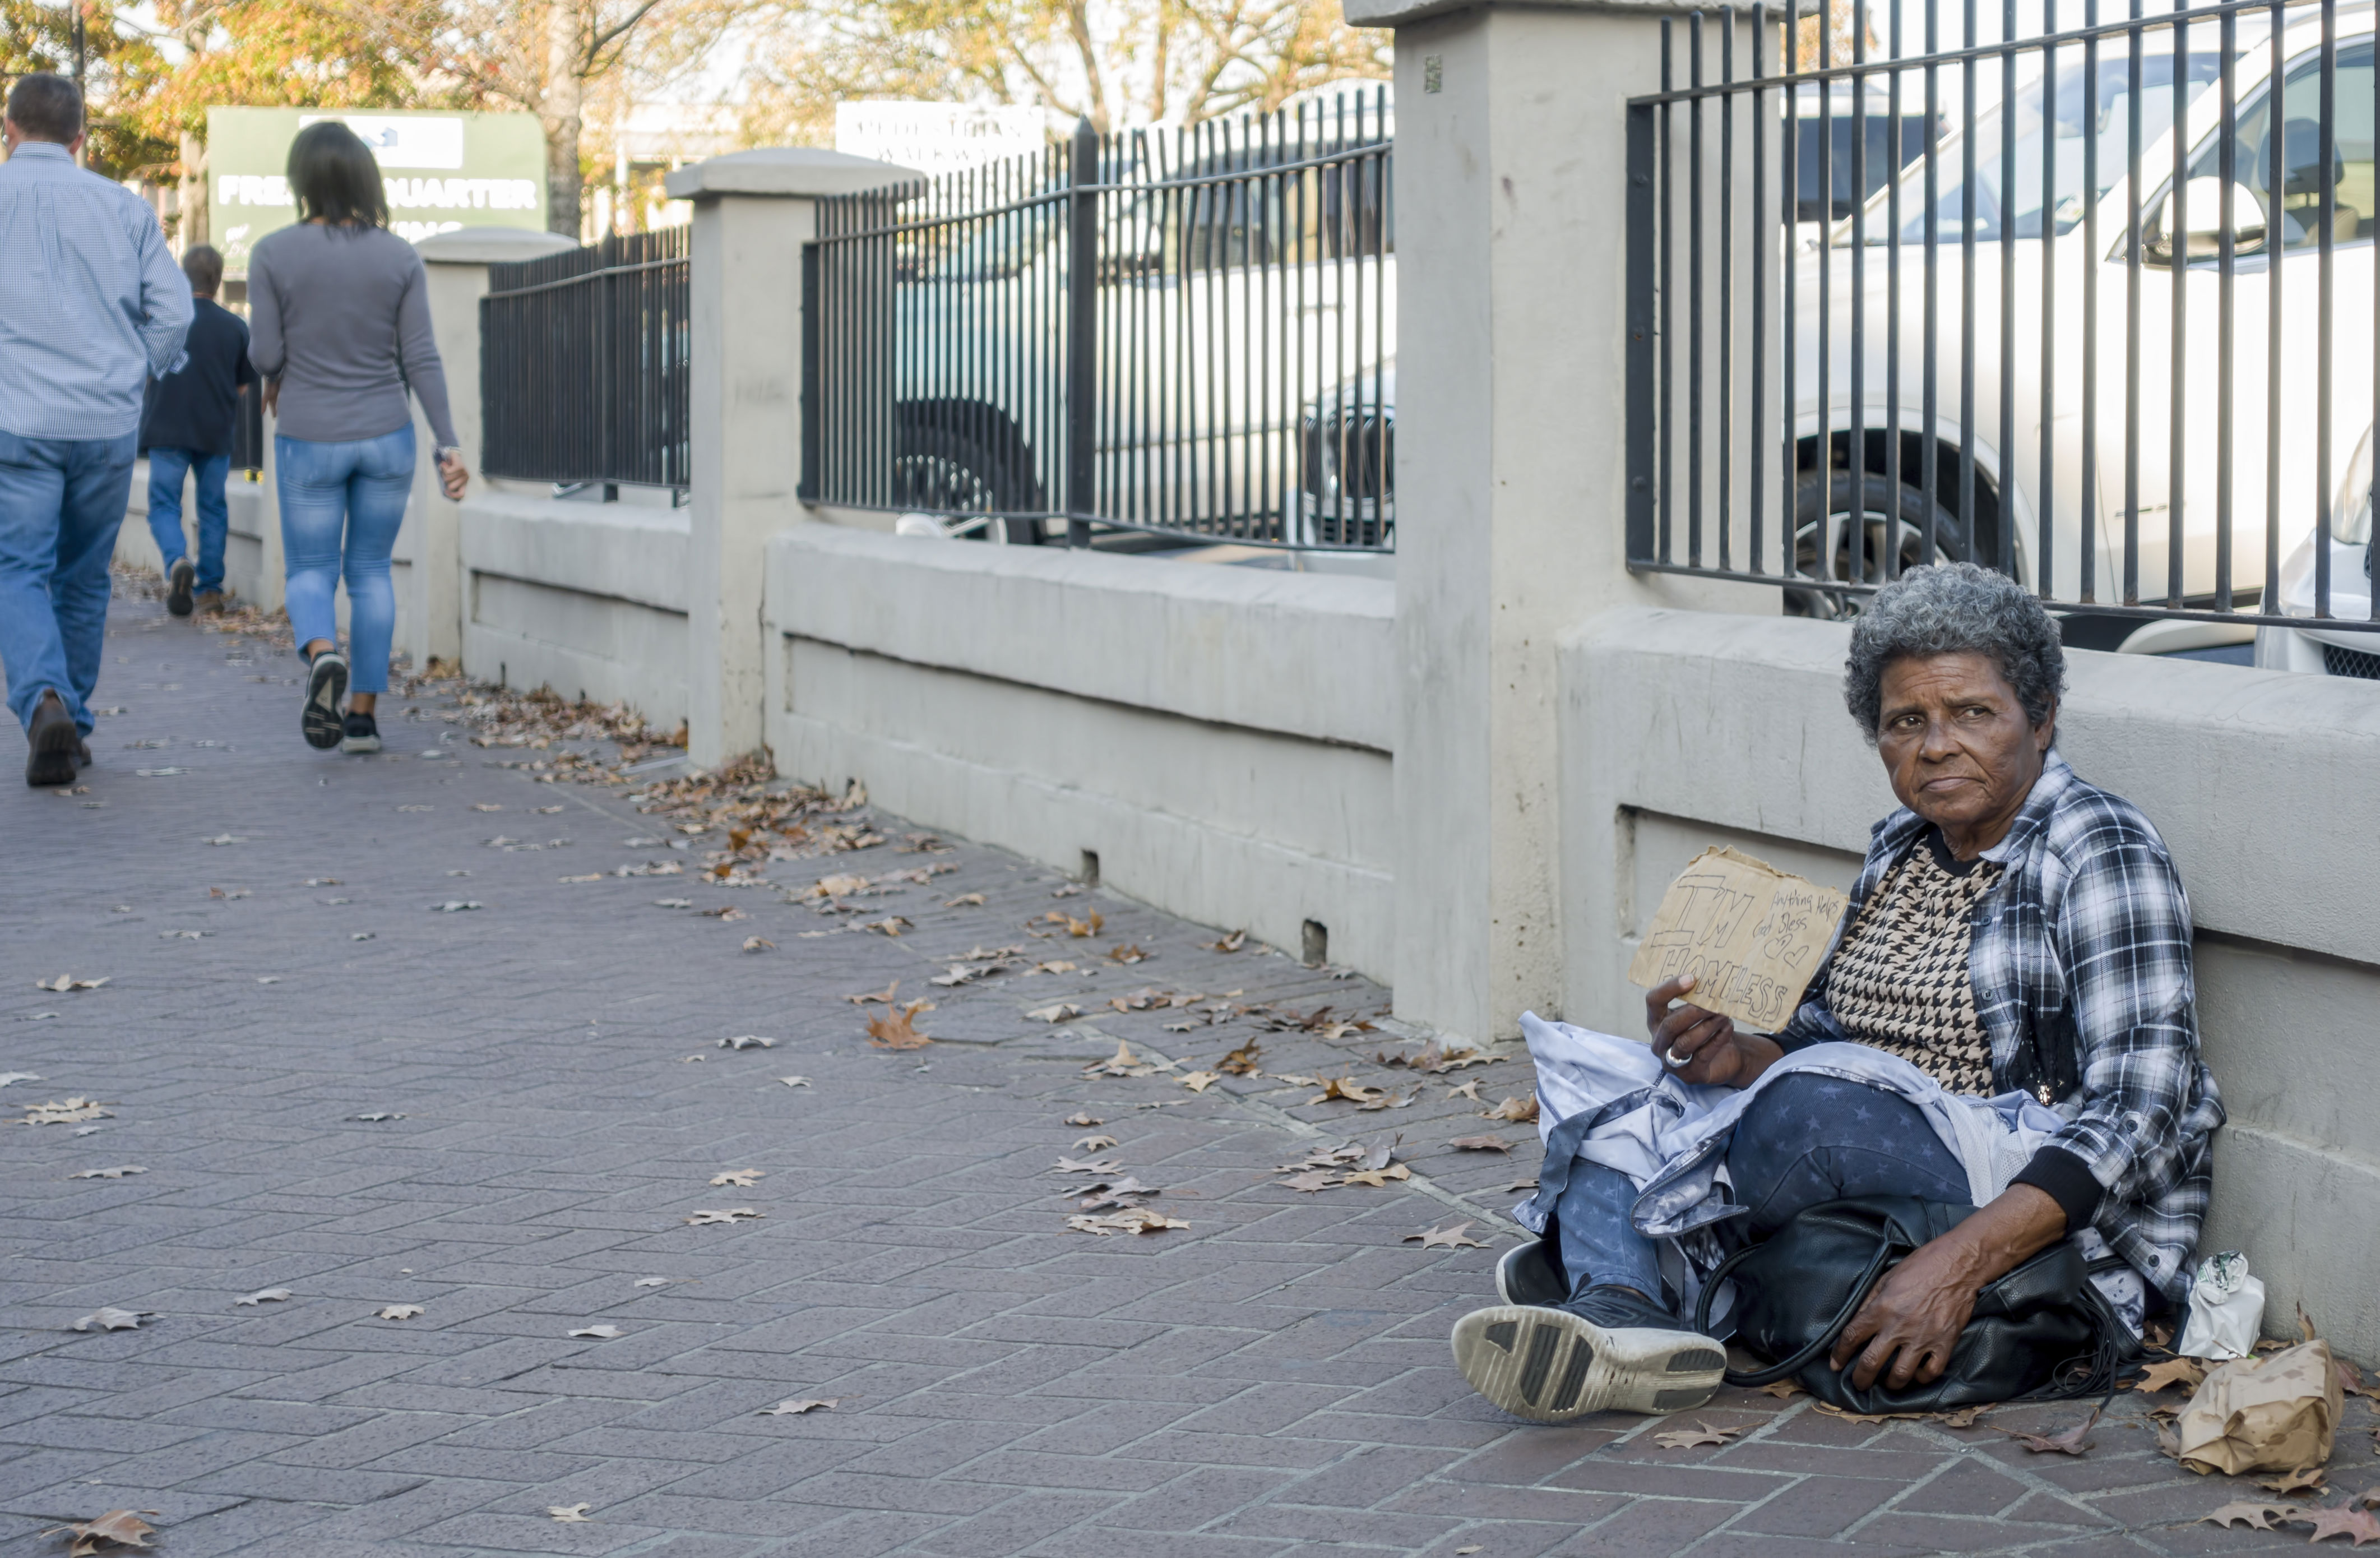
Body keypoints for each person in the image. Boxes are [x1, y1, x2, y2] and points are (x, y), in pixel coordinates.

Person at [1452, 562, 2225, 1422]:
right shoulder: (1901, 843)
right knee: (1625, 1078)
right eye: (1906, 721)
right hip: (1869, 1143)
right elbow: (1827, 1025)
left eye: (1971, 712)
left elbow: (2142, 1109)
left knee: (1798, 1113)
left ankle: (1623, 1262)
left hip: (2020, 1176)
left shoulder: (2096, 845)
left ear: (2039, 719)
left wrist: (1958, 1261)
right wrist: (1738, 1054)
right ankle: (1622, 1319)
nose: (1935, 745)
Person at [248, 118, 467, 756]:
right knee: (371, 571)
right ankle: (365, 719)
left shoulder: (272, 253)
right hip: (387, 435)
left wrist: (278, 370)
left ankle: (323, 654)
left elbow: (264, 353)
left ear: (301, 181)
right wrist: (446, 444)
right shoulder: (399, 257)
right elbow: (421, 357)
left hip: (310, 435)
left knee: (312, 569)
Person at [0, 73, 192, 787]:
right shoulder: (125, 209)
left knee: (18, 569)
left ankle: (42, 698)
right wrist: (132, 374)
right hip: (104, 421)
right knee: (83, 580)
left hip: (15, 419)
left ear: (10, 129)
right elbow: (175, 316)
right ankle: (72, 722)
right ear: (81, 139)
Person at [140, 244, 256, 618]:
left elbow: (144, 370)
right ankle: (210, 591)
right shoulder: (237, 328)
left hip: (167, 430)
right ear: (219, 281)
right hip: (215, 433)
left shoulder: (162, 321)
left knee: (163, 505)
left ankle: (177, 561)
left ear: (180, 277)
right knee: (213, 510)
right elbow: (242, 387)